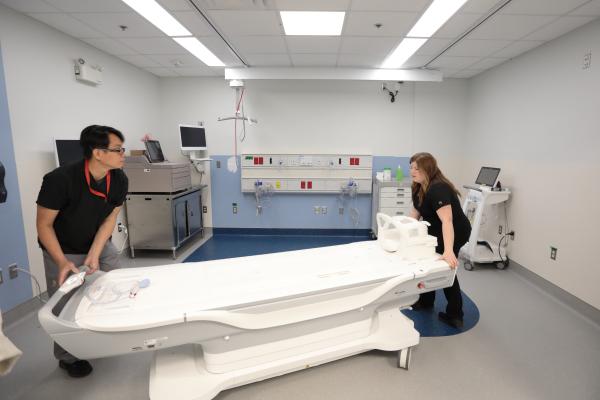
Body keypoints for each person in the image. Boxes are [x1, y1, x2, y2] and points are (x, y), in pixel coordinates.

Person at [36, 125, 128, 377]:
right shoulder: (60, 179)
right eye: (118, 149)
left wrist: (96, 252)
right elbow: (44, 225)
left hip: (97, 242)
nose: (123, 154)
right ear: (98, 153)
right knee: (65, 303)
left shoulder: (118, 178)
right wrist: (61, 261)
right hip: (62, 247)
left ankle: (105, 333)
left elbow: (110, 219)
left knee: (116, 285)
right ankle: (68, 357)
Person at [409, 152, 471, 328]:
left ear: (427, 169)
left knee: (445, 267)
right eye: (411, 167)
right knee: (428, 263)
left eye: (417, 168)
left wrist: (449, 251)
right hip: (436, 231)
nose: (412, 171)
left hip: (455, 231)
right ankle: (426, 300)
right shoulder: (418, 186)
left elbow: (447, 221)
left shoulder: (438, 188)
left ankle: (455, 314)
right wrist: (404, 234)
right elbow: (414, 215)